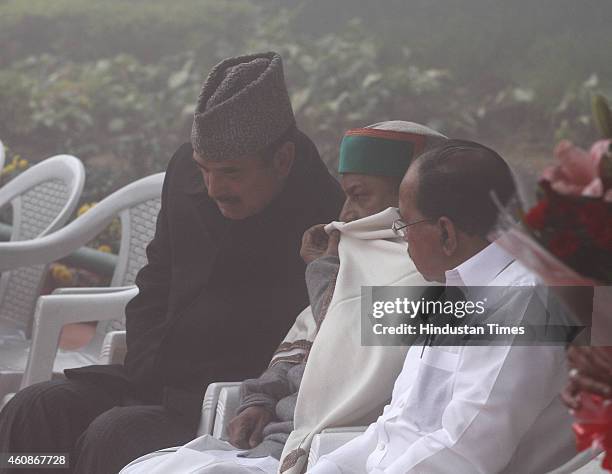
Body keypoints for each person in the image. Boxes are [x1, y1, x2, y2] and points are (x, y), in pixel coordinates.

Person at [0, 52, 344, 474]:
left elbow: (321, 335)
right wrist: (144, 361)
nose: (214, 188)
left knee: (112, 436)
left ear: (283, 160)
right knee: (33, 408)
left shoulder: (325, 219)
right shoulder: (185, 172)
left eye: (231, 173)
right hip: (148, 378)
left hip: (223, 403)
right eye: (205, 170)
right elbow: (156, 278)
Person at [118, 121, 446, 473]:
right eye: (346, 194)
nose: (345, 212)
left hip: (326, 454)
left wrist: (322, 271)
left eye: (360, 195)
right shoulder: (353, 262)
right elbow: (304, 343)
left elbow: (347, 343)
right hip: (272, 442)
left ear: (410, 200)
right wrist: (260, 399)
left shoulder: (426, 275)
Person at [309, 140, 577, 473]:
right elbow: (393, 428)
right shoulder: (456, 289)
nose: (402, 239)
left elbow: (464, 455)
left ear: (447, 233)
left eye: (405, 225)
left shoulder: (529, 302)